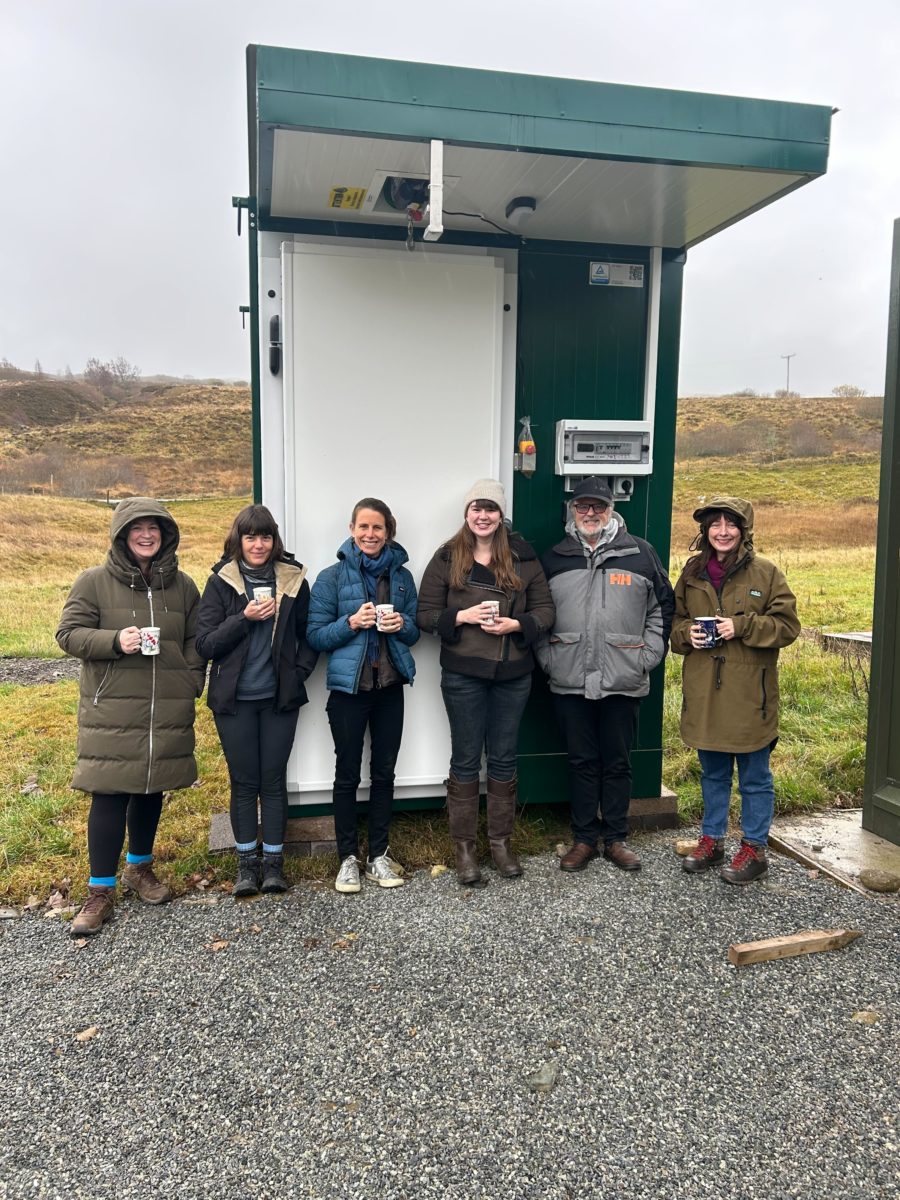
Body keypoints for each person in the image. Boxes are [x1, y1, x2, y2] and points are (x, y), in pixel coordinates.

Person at [56, 497, 206, 936]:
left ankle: (140, 869)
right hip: (113, 708)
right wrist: (114, 641)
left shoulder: (183, 586)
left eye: (154, 528)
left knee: (150, 788)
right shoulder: (94, 582)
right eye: (137, 528)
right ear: (122, 534)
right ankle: (99, 891)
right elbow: (68, 634)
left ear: (166, 535)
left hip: (166, 706)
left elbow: (199, 639)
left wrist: (191, 680)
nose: (146, 535)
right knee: (109, 792)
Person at [417, 479, 555, 885]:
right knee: (464, 759)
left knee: (504, 758)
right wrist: (461, 617)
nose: (483, 516)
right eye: (476, 509)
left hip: (514, 677)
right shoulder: (446, 557)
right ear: (466, 514)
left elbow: (547, 610)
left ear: (501, 514)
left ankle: (500, 843)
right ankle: (464, 849)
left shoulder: (523, 557)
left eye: (491, 509)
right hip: (463, 675)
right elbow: (424, 614)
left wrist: (519, 623)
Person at [537, 478, 673, 874]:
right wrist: (549, 658)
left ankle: (615, 839)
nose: (591, 513)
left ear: (611, 509)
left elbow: (662, 608)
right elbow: (538, 614)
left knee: (617, 761)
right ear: (572, 511)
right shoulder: (555, 558)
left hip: (623, 678)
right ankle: (583, 839)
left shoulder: (640, 554)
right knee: (581, 761)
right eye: (583, 507)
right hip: (569, 678)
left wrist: (645, 656)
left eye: (598, 506)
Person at [671, 496, 799, 883]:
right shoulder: (692, 572)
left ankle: (754, 848)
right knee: (712, 774)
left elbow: (788, 627)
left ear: (744, 531)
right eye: (715, 525)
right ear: (706, 531)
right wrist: (686, 634)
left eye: (731, 525)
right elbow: (674, 625)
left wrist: (740, 626)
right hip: (705, 692)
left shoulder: (766, 573)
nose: (722, 532)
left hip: (750, 697)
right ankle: (712, 840)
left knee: (755, 776)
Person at [195, 505, 317, 896]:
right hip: (235, 701)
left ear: (273, 540)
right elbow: (205, 643)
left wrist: (298, 674)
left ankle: (274, 867)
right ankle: (247, 866)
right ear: (239, 540)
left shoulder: (293, 579)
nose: (259, 544)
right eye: (251, 537)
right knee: (244, 782)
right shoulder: (221, 582)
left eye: (265, 537)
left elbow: (309, 636)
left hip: (279, 698)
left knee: (273, 780)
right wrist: (244, 617)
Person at [307, 498, 419, 894]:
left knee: (384, 773)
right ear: (351, 528)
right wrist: (350, 623)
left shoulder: (402, 578)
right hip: (348, 692)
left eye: (378, 528)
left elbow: (415, 632)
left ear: (388, 531)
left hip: (389, 689)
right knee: (347, 774)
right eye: (363, 527)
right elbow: (316, 635)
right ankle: (347, 859)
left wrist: (401, 623)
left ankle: (378, 856)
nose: (370, 535)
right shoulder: (331, 578)